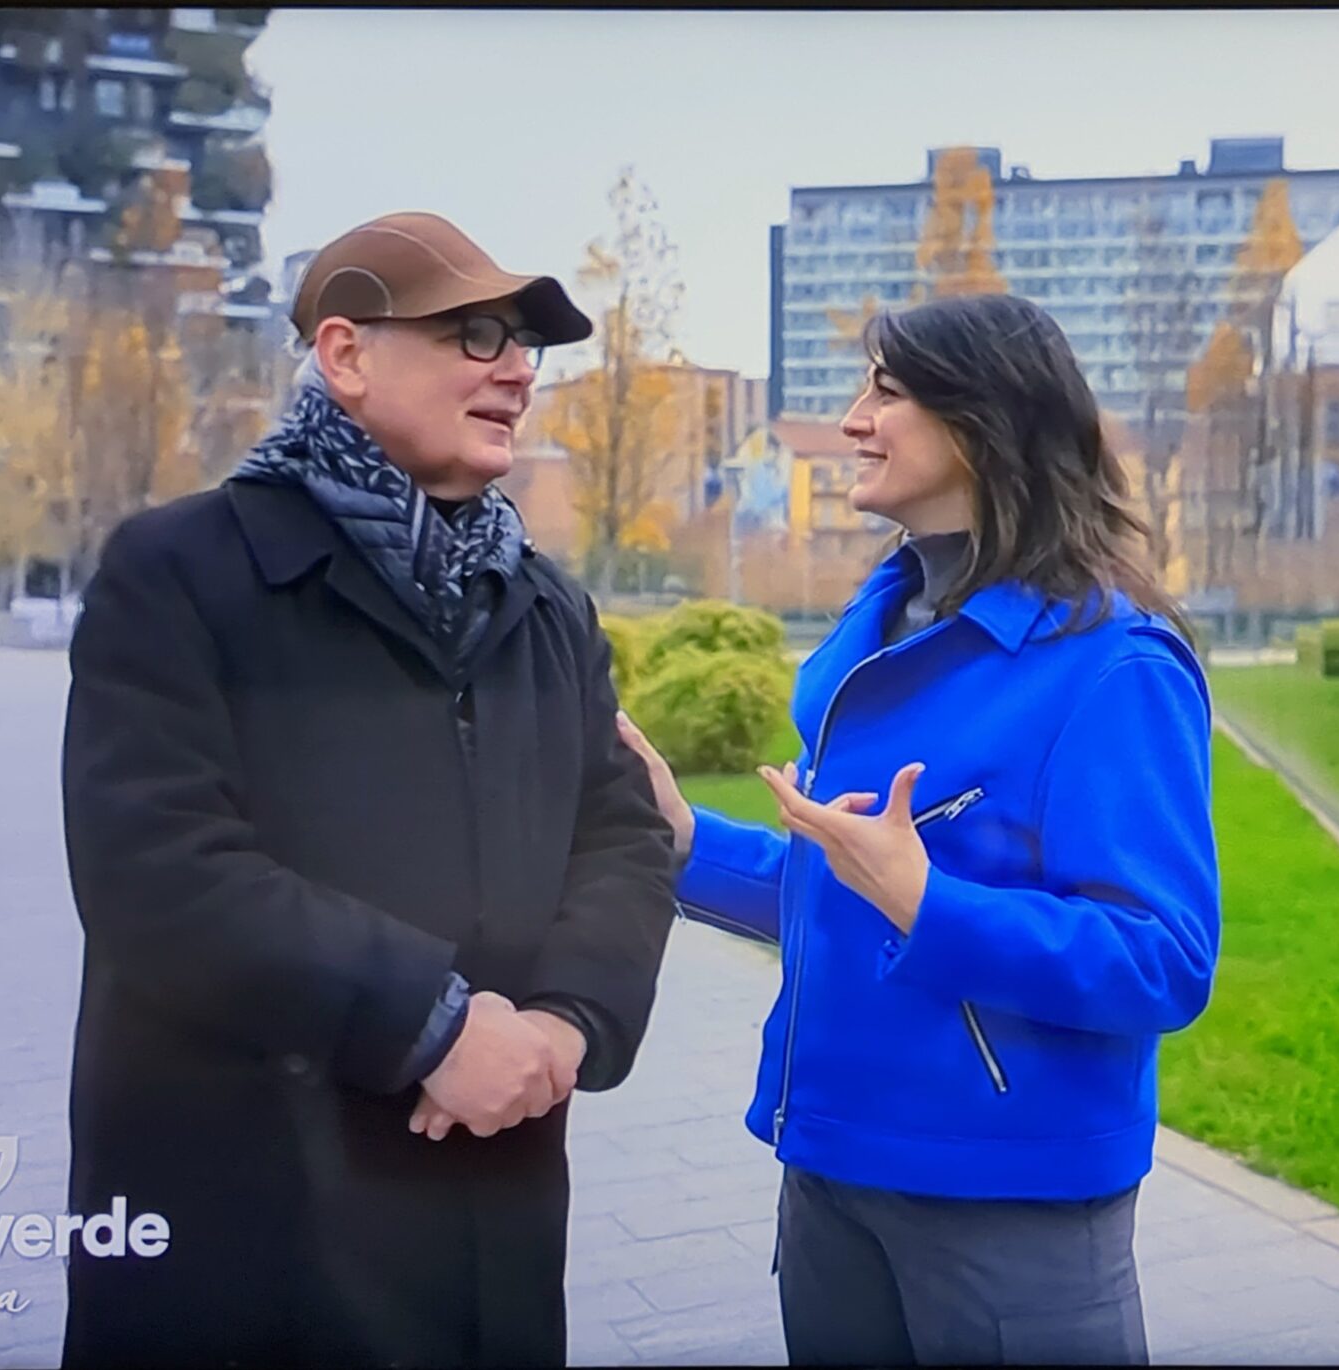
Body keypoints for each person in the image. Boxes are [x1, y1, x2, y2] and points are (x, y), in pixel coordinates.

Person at [59, 211, 681, 1367]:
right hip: (248, 1227)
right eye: (476, 332)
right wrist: (430, 1022)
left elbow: (624, 828)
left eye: (526, 347)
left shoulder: (545, 604)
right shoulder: (180, 573)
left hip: (489, 1219)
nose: (515, 371)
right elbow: (156, 869)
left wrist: (565, 1020)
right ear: (344, 354)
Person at [616, 292, 1221, 1366]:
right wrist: (678, 838)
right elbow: (845, 883)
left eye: (886, 392)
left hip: (1006, 1201)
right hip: (829, 1169)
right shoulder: (882, 625)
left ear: (984, 419)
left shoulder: (1110, 664)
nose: (853, 419)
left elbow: (1162, 960)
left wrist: (927, 902)